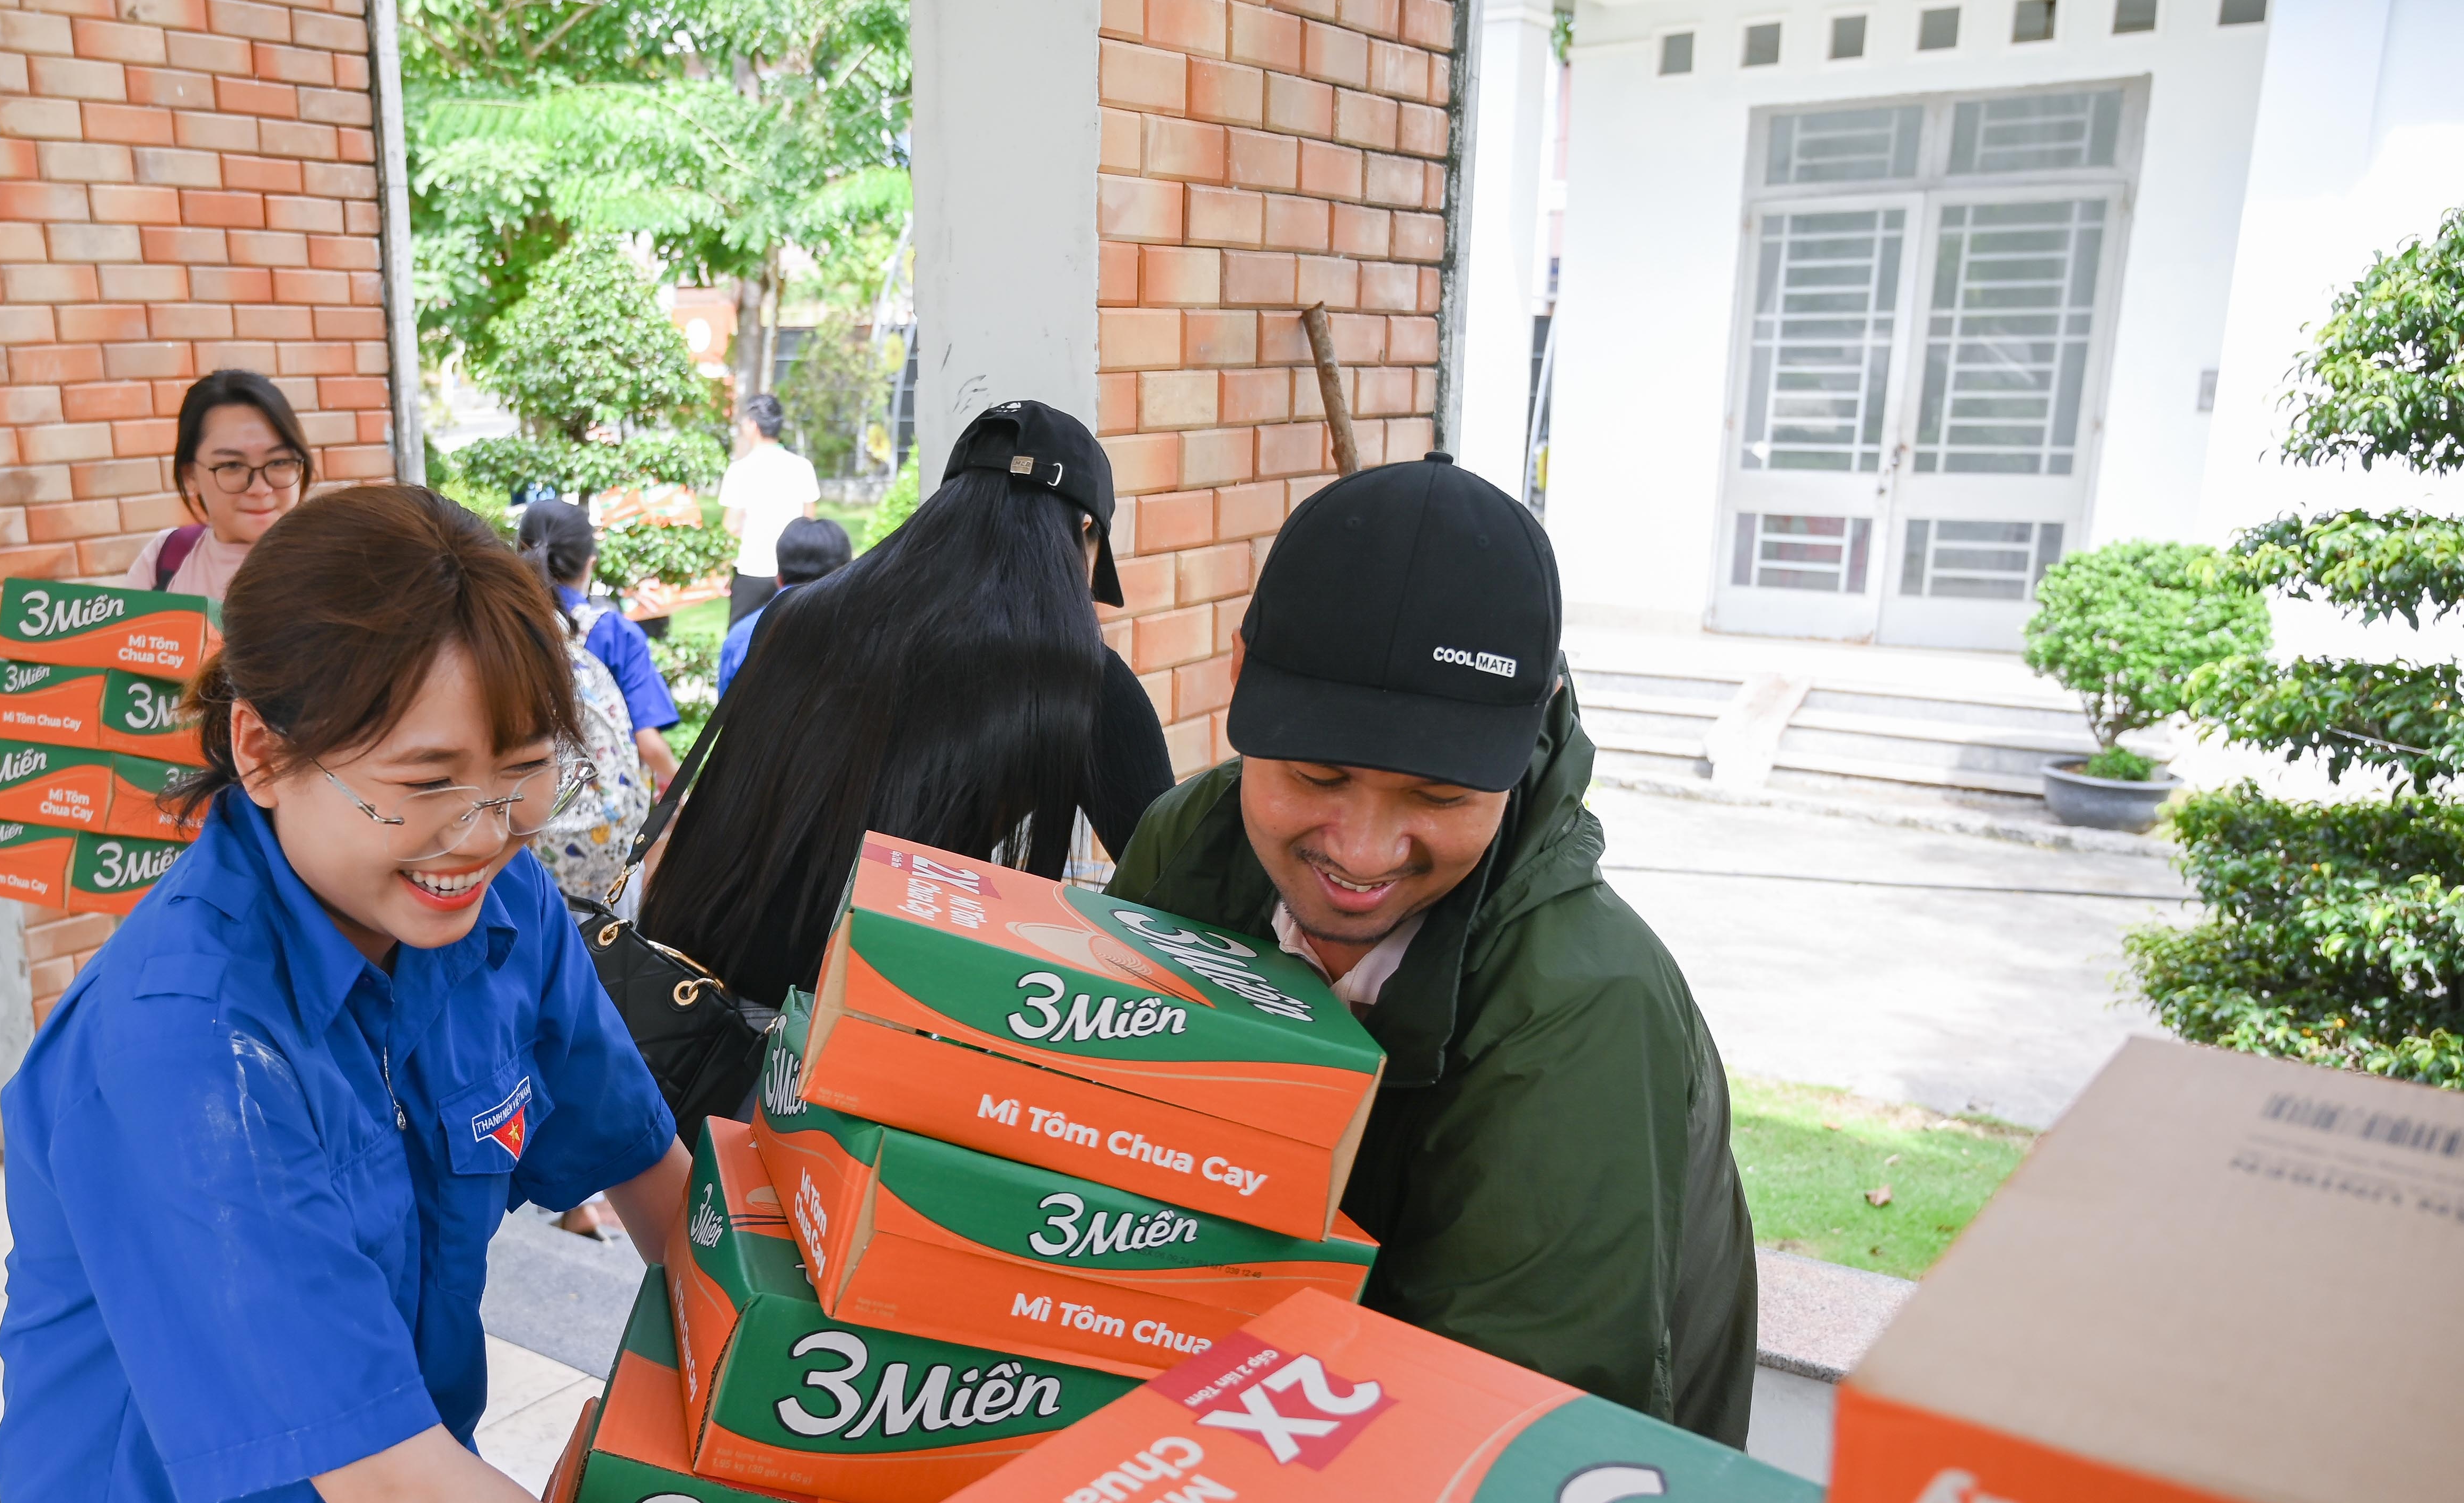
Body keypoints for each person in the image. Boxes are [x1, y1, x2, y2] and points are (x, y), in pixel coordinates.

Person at [0, 487, 853, 1503]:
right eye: (426, 780)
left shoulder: (494, 911)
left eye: (520, 776)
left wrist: (815, 1434)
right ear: (264, 751)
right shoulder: (185, 1049)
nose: (480, 832)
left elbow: (658, 1198)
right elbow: (381, 1482)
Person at [1107, 453, 1759, 1444]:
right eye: (1317, 775)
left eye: (1440, 797)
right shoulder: (1189, 843)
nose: (1361, 853)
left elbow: (1503, 1429)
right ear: (1240, 677)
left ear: (1528, 733)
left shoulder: (1582, 1005)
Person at [642, 398, 1173, 1017]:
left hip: (683, 1006)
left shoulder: (793, 615)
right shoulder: (1081, 678)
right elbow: (1173, 898)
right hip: (848, 1036)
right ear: (1084, 529)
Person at [513, 499, 680, 789]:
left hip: (521, 813)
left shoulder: (502, 627)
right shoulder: (616, 633)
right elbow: (649, 745)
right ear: (590, 564)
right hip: (606, 817)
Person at [119, 370, 312, 599]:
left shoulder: (343, 564)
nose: (260, 489)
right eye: (232, 465)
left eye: (279, 462)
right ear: (190, 475)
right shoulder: (166, 558)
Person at [715, 514, 851, 695]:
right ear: (849, 576)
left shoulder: (741, 637)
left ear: (778, 578)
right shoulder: (865, 634)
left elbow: (728, 713)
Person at [715, 393, 817, 625]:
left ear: (752, 425)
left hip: (751, 569)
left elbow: (731, 526)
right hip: (793, 572)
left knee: (744, 644)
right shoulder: (802, 467)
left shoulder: (741, 470)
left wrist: (721, 569)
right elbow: (809, 522)